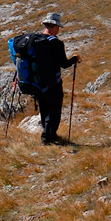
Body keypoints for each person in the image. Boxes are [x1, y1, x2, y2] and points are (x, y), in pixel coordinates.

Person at [28, 12, 80, 145]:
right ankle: (47, 138)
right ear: (55, 26)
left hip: (37, 82)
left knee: (44, 109)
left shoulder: (34, 39)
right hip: (53, 83)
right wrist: (75, 58)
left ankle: (50, 136)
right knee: (54, 111)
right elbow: (64, 64)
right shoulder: (55, 43)